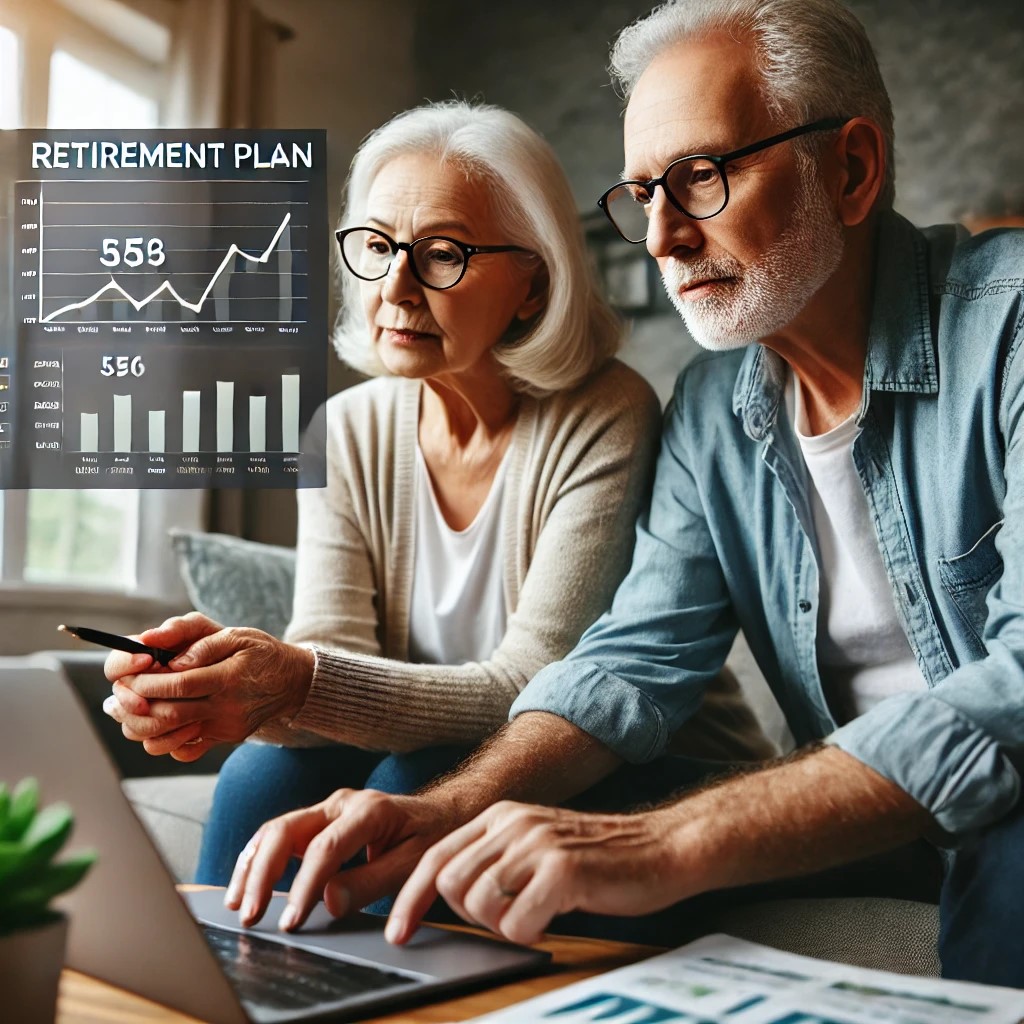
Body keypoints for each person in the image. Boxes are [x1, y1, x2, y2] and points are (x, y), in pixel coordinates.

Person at [220, 0, 1024, 983]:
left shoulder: (1011, 330)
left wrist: (662, 846)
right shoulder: (711, 407)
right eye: (642, 191)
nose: (660, 236)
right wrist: (447, 809)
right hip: (875, 830)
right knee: (442, 839)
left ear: (849, 170)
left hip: (1004, 803)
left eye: (700, 178)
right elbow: (630, 665)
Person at [102, 100, 770, 888]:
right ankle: (234, 998)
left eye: (443, 253)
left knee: (403, 785)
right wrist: (225, 687)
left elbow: (540, 689)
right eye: (378, 246)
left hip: (643, 765)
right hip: (449, 759)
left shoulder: (606, 412)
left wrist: (298, 681)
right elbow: (332, 657)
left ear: (532, 285)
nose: (397, 286)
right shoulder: (344, 429)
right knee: (261, 776)